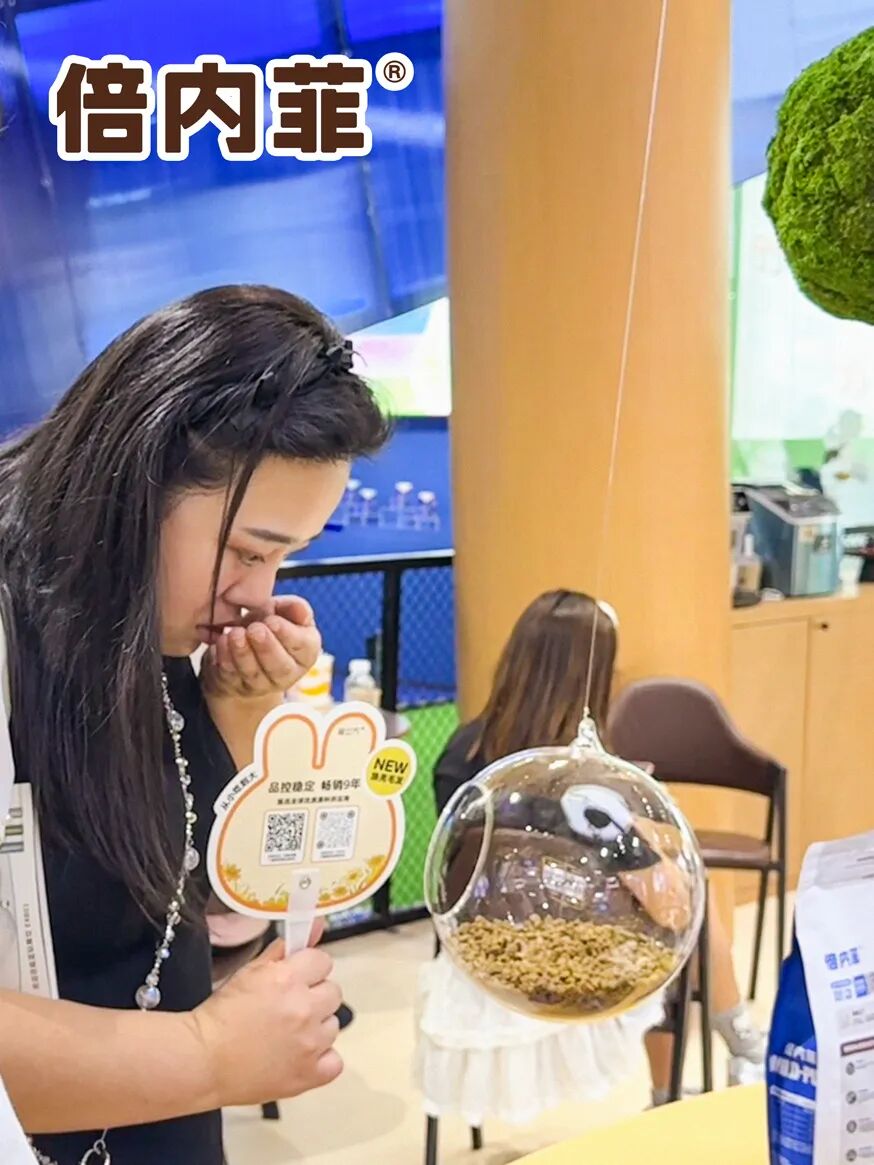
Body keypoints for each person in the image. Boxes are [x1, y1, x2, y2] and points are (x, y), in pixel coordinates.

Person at [0, 284, 390, 1164]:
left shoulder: (150, 633)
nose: (257, 594)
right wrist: (206, 1055)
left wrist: (238, 710)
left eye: (285, 557)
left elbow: (172, 907)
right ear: (133, 482)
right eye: (248, 550)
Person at [422, 590, 765, 1121]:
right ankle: (731, 1046)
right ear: (593, 674)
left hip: (477, 944)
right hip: (564, 955)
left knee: (674, 883)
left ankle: (732, 1044)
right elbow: (661, 895)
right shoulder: (582, 782)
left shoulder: (464, 754)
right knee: (685, 909)